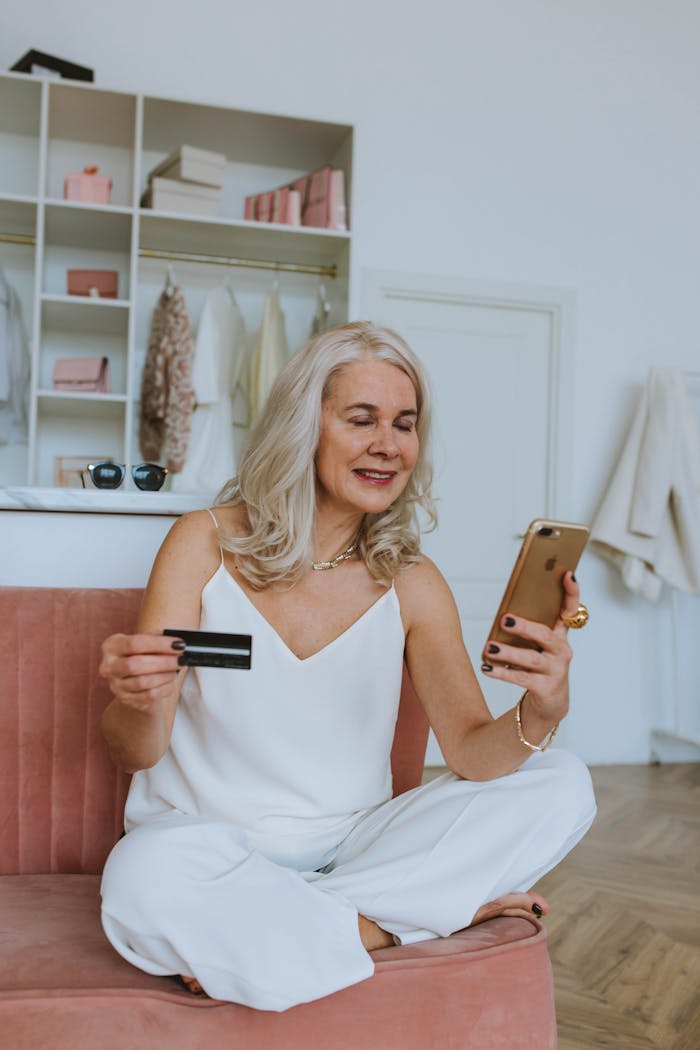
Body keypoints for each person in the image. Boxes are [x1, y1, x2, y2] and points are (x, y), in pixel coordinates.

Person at [99, 320, 596, 1011]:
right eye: (361, 420)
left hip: (357, 848)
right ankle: (386, 928)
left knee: (565, 782)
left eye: (404, 424)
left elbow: (473, 756)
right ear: (305, 425)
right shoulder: (203, 542)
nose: (388, 446)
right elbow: (135, 751)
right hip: (206, 844)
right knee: (140, 876)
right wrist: (136, 697)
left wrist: (543, 713)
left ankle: (283, 930)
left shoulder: (414, 581)